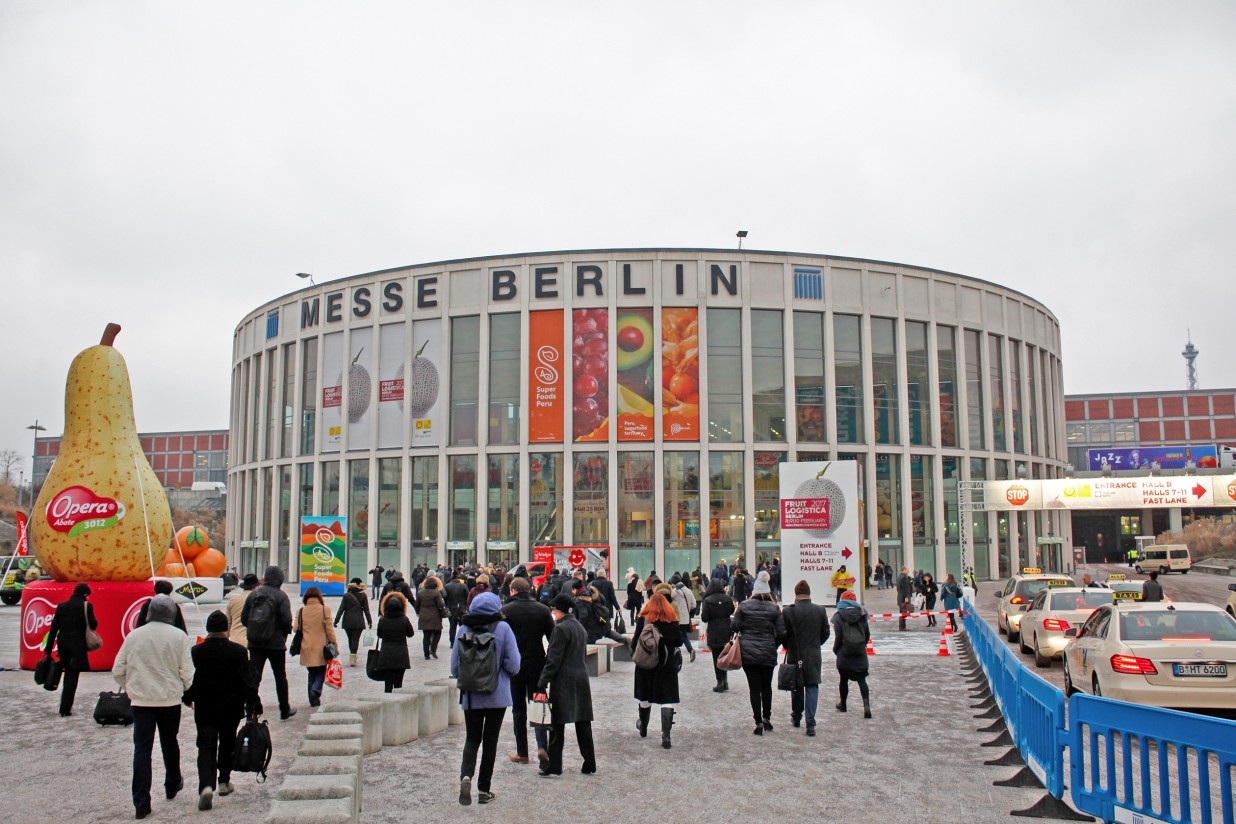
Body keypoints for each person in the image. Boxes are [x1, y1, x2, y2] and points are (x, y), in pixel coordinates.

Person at [113, 595, 195, 819]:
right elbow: (188, 673)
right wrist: (181, 688)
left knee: (142, 749)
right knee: (170, 742)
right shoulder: (179, 636)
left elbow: (118, 670)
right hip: (169, 700)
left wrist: (132, 688)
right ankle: (172, 782)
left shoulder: (134, 636)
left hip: (141, 702)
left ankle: (141, 802)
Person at [453, 591, 520, 805]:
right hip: (496, 694)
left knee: (472, 738)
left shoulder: (464, 629)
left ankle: (465, 777)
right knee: (491, 741)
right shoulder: (502, 628)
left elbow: (455, 668)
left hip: (471, 695)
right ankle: (484, 789)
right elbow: (514, 665)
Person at [186, 610, 255, 811]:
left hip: (205, 706)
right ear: (226, 629)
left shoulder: (196, 651)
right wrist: (254, 703)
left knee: (206, 745)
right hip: (231, 706)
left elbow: (196, 679)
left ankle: (206, 786)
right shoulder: (239, 652)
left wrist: (187, 697)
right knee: (227, 742)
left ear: (208, 629)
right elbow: (246, 681)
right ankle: (224, 782)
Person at [536, 594, 597, 769]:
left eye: (554, 609)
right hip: (581, 678)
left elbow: (553, 660)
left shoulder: (560, 629)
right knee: (583, 722)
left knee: (557, 724)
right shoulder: (579, 627)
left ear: (560, 610)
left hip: (563, 680)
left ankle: (554, 766)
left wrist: (542, 683)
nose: (552, 612)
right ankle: (589, 762)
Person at [503, 577, 555, 765]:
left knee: (518, 709)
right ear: (530, 590)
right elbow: (553, 639)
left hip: (515, 666)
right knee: (539, 705)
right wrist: (547, 659)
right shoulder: (543, 610)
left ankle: (522, 753)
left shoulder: (506, 611)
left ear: (513, 591)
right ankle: (542, 746)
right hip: (537, 663)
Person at [731, 572, 786, 735]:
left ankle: (757, 721)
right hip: (768, 652)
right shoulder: (774, 608)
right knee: (766, 686)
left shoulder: (744, 606)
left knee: (754, 688)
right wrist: (773, 645)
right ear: (768, 592)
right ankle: (767, 717)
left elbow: (734, 627)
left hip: (748, 653)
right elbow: (782, 633)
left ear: (754, 591)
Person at [241, 565, 296, 720]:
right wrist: (283, 632)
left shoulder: (254, 594)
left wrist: (256, 630)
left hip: (255, 643)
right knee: (280, 676)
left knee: (254, 678)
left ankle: (250, 709)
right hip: (276, 644)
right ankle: (284, 709)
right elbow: (286, 620)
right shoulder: (281, 596)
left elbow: (244, 618)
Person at [782, 580, 830, 736]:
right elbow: (826, 633)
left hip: (795, 654)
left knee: (796, 687)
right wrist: (816, 644)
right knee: (812, 686)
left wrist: (788, 646)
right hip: (813, 654)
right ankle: (811, 724)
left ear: (796, 594)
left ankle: (796, 717)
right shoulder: (820, 610)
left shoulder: (788, 612)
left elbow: (784, 634)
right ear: (809, 593)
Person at [43, 582, 98, 717]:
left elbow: (54, 629)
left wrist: (48, 649)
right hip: (78, 646)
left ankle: (63, 704)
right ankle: (65, 708)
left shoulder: (62, 606)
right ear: (85, 594)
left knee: (66, 669)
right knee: (72, 677)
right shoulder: (86, 606)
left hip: (63, 644)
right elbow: (93, 625)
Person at [293, 586, 338, 708]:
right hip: (321, 647)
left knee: (311, 672)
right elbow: (329, 630)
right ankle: (316, 690)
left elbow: (295, 628)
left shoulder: (301, 611)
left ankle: (313, 699)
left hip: (306, 646)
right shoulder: (325, 610)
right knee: (321, 670)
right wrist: (334, 644)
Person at [831, 591, 872, 718]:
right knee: (862, 679)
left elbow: (838, 636)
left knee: (843, 680)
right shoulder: (862, 613)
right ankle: (866, 705)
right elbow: (867, 634)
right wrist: (862, 645)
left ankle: (843, 704)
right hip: (860, 652)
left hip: (844, 652)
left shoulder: (838, 616)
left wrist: (836, 650)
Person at [700, 579, 735, 692]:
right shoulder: (727, 598)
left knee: (716, 657)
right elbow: (732, 610)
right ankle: (725, 681)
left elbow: (704, 618)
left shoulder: (708, 600)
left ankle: (720, 682)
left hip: (714, 630)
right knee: (725, 654)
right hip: (726, 629)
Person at [376, 593, 413, 693]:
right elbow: (411, 634)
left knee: (387, 683)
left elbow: (379, 634)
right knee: (398, 683)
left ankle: (387, 701)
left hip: (386, 654)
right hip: (401, 654)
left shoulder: (382, 620)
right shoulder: (404, 619)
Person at [334, 578, 373, 667]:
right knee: (356, 639)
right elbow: (366, 610)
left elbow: (341, 609)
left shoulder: (346, 596)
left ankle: (352, 655)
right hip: (358, 621)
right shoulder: (363, 596)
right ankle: (353, 656)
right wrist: (369, 621)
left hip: (347, 621)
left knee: (350, 639)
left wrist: (336, 620)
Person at [414, 575, 448, 659]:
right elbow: (440, 604)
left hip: (424, 616)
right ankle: (433, 649)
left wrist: (418, 612)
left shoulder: (420, 593)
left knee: (426, 636)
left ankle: (426, 655)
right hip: (435, 616)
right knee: (437, 633)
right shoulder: (436, 593)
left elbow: (416, 605)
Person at [225, 574, 259, 650]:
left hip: (234, 641)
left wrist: (225, 641)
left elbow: (228, 623)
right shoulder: (258, 600)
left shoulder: (233, 601)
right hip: (251, 642)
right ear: (255, 587)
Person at [669, 575, 697, 662]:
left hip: (676, 617)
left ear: (673, 583)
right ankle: (691, 650)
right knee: (684, 635)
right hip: (686, 618)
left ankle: (674, 654)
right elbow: (694, 604)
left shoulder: (674, 592)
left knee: (674, 635)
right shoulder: (688, 591)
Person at [444, 573, 469, 642]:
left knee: (452, 626)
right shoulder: (463, 586)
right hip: (461, 608)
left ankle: (452, 642)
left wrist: (446, 606)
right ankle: (464, 640)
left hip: (451, 608)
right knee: (463, 625)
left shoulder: (447, 586)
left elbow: (445, 598)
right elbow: (468, 597)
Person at [896, 566, 913, 631]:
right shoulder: (904, 577)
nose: (908, 571)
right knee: (904, 612)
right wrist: (906, 597)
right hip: (904, 597)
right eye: (907, 569)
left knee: (902, 611)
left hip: (900, 596)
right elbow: (905, 588)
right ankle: (902, 627)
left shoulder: (898, 577)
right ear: (904, 570)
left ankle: (902, 626)